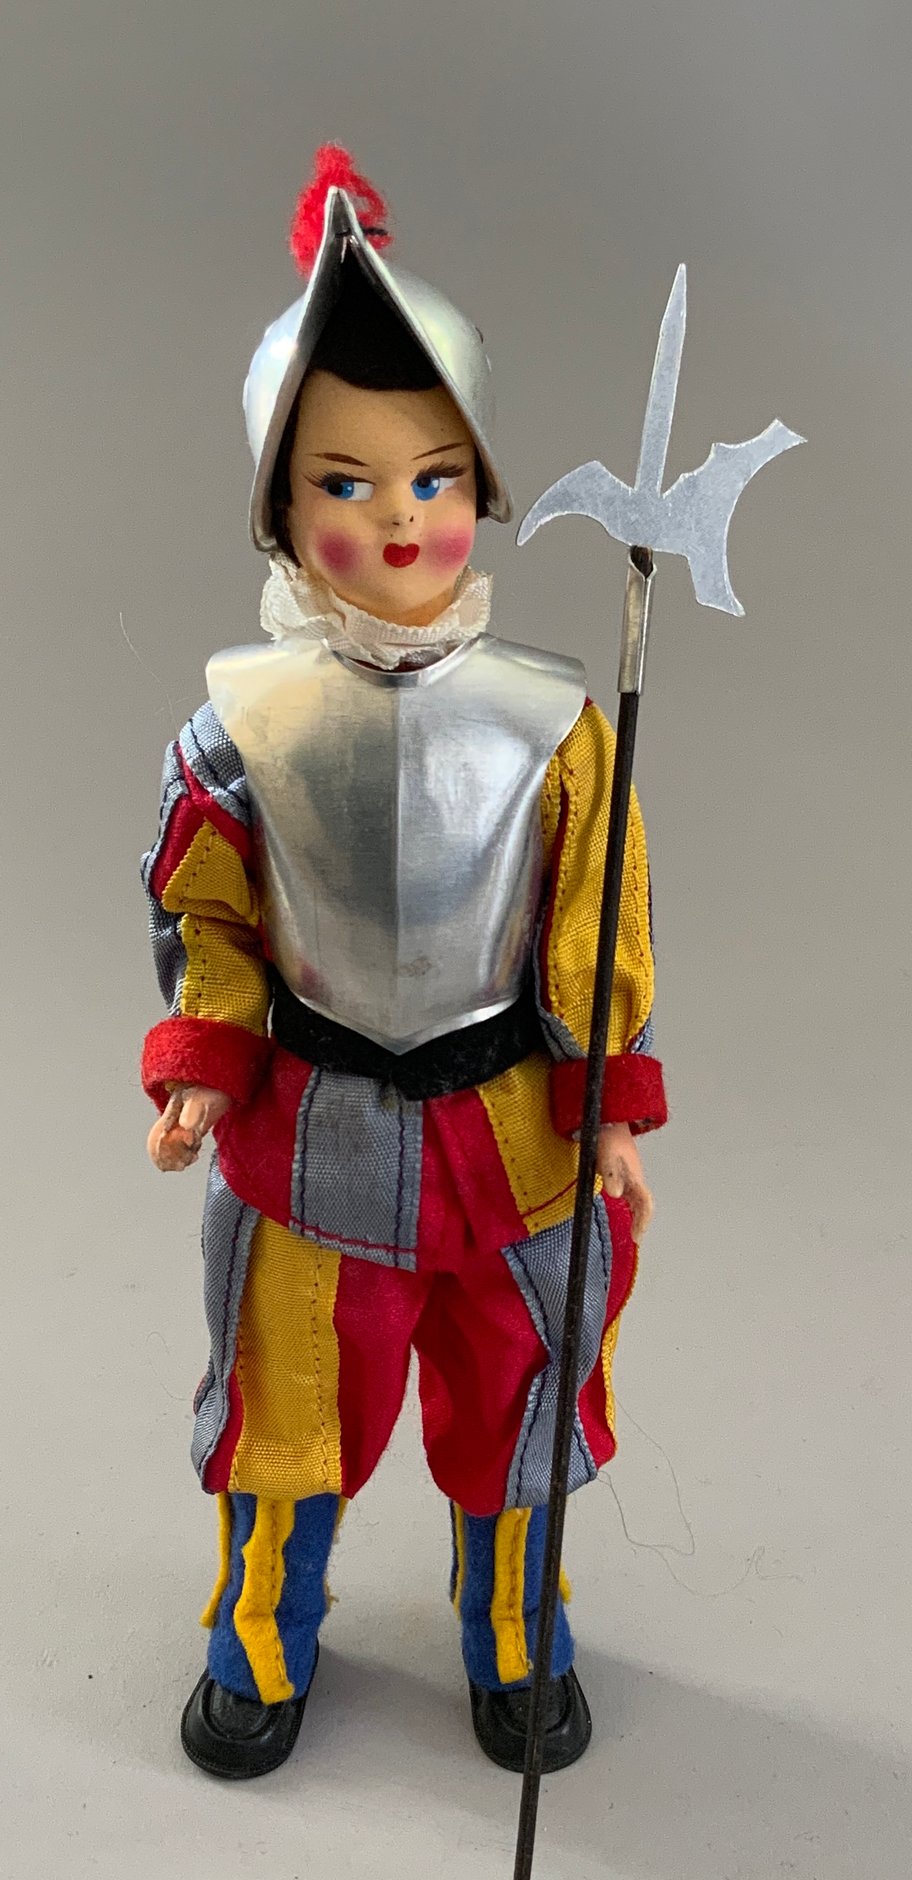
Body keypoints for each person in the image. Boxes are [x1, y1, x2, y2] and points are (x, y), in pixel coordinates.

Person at [141, 145, 667, 1782]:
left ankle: (515, 1627)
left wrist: (608, 1092)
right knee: (287, 1412)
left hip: (511, 1135)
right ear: (282, 507)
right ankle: (263, 1635)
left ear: (482, 490)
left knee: (519, 1401)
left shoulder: (554, 722)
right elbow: (211, 916)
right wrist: (206, 1063)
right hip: (312, 1136)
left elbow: (593, 918)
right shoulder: (237, 729)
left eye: (433, 478)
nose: (396, 517)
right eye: (347, 482)